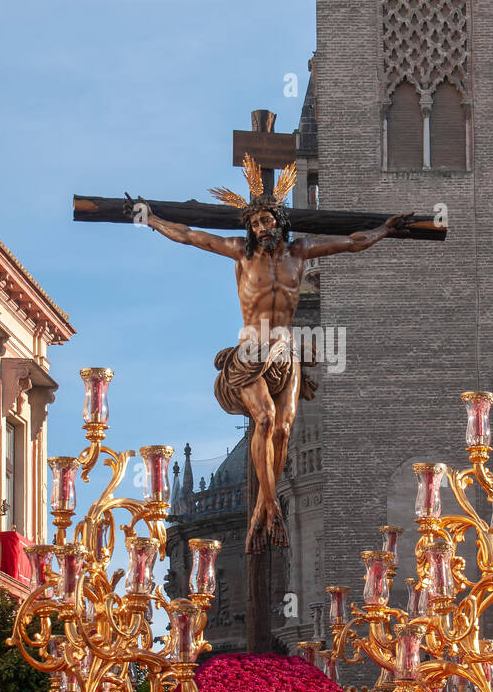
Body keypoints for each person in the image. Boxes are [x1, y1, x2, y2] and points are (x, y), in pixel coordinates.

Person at [140, 174, 411, 552]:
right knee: (265, 418)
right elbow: (190, 235)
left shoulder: (300, 253)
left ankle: (262, 509)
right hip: (251, 351)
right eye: (254, 223)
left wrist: (385, 229)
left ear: (279, 222)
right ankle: (268, 505)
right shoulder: (240, 253)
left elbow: (352, 243)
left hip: (287, 351)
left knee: (283, 429)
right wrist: (151, 219)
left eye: (266, 220)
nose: (260, 228)